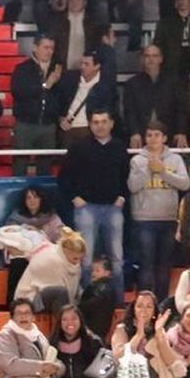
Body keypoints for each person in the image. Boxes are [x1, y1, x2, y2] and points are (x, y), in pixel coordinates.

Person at [60, 108, 127, 305]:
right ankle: (85, 302)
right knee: (85, 259)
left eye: (104, 121)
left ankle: (118, 302)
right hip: (86, 209)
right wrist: (75, 198)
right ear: (90, 125)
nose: (100, 125)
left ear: (111, 124)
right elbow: (64, 177)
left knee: (117, 258)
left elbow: (125, 176)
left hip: (113, 209)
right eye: (96, 122)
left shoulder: (119, 147)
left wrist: (122, 197)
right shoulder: (79, 147)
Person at [128, 123, 189, 302]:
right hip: (144, 220)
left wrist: (162, 171)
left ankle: (162, 307)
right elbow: (132, 186)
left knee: (163, 267)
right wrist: (149, 168)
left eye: (156, 135)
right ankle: (144, 306)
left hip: (168, 219)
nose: (152, 139)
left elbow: (185, 184)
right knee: (146, 266)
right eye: (149, 135)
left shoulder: (175, 159)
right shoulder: (137, 160)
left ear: (164, 138)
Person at [10, 36, 66, 175]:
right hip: (25, 124)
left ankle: (43, 195)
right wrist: (46, 86)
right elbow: (19, 92)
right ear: (35, 48)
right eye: (46, 47)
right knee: (20, 164)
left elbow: (62, 96)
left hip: (48, 124)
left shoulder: (57, 70)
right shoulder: (22, 69)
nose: (49, 51)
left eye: (52, 48)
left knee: (45, 165)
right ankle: (18, 194)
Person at [120, 46, 184, 149]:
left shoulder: (173, 83)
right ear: (142, 59)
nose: (151, 59)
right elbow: (129, 111)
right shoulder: (132, 84)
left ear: (161, 59)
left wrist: (181, 131)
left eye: (155, 56)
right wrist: (134, 132)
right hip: (141, 137)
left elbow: (180, 109)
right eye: (147, 56)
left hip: (169, 135)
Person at [12, 227, 84, 310]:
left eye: (80, 258)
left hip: (48, 298)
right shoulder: (51, 259)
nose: (78, 262)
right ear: (65, 251)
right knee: (60, 292)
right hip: (29, 299)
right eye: (75, 258)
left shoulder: (71, 261)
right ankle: (61, 322)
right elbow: (59, 291)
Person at [55, 52, 114, 148]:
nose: (82, 67)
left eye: (86, 64)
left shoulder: (105, 86)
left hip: (90, 128)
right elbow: (58, 101)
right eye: (81, 63)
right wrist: (60, 118)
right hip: (68, 128)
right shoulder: (70, 78)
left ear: (97, 66)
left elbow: (109, 109)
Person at [50, 0, 102, 71]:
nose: (75, 3)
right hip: (63, 71)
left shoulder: (93, 23)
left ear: (85, 2)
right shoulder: (57, 22)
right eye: (71, 0)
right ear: (67, 2)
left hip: (86, 72)